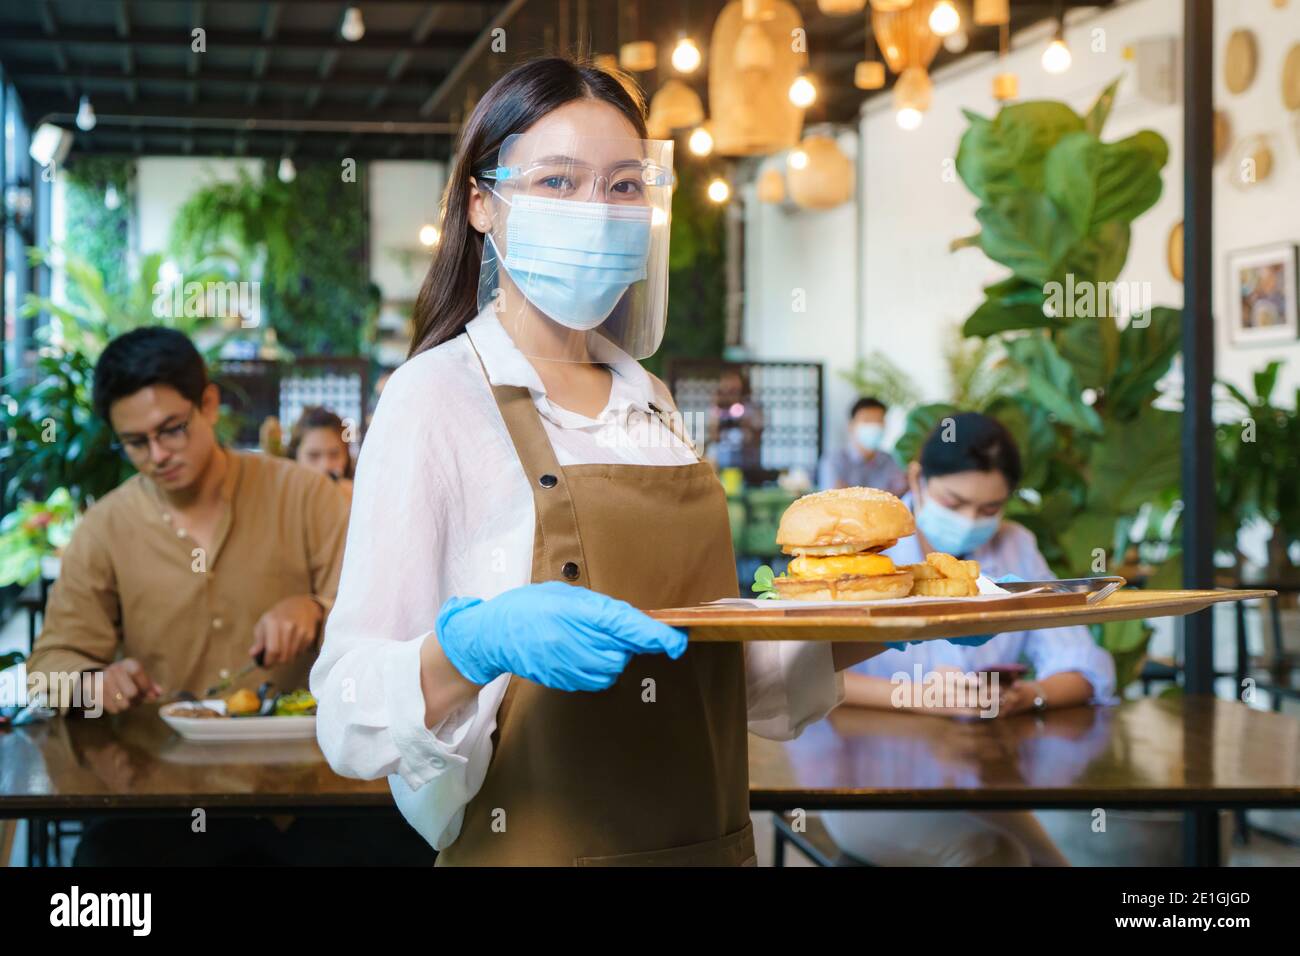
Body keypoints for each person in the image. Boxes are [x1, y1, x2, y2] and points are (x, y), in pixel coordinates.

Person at [310, 57, 993, 867]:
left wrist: (895, 617)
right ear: (482, 203)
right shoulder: (435, 397)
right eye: (559, 182)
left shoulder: (654, 404)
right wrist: (471, 648)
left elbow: (725, 679)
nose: (597, 212)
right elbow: (347, 717)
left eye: (625, 185)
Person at [26, 327, 431, 865]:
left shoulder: (304, 496)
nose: (158, 455)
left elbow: (394, 623)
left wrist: (315, 609)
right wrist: (89, 682)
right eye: (136, 443)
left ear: (209, 404)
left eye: (172, 430)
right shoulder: (105, 529)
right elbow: (47, 667)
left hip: (313, 789)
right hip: (164, 795)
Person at [820, 411, 1116, 866]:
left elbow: (1082, 665)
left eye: (990, 509)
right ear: (917, 479)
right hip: (862, 777)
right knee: (991, 855)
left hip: (978, 775)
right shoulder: (862, 551)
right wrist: (920, 697)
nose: (970, 520)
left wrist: (1029, 695)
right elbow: (810, 676)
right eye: (954, 502)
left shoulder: (1016, 547)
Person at [818, 396, 907, 495]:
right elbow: (834, 498)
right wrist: (883, 495)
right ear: (851, 426)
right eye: (867, 420)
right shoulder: (834, 460)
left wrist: (850, 492)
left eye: (878, 421)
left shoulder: (890, 460)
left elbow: (900, 495)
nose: (874, 426)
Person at [286, 405, 354, 502]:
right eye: (313, 455)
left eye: (334, 455)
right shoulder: (282, 502)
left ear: (346, 457)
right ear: (295, 457)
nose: (325, 466)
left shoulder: (357, 500)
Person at [707, 368, 764, 474]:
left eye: (734, 389)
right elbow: (713, 435)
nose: (730, 392)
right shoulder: (717, 409)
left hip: (745, 459)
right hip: (722, 458)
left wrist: (746, 425)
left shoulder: (750, 408)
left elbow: (757, 435)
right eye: (726, 389)